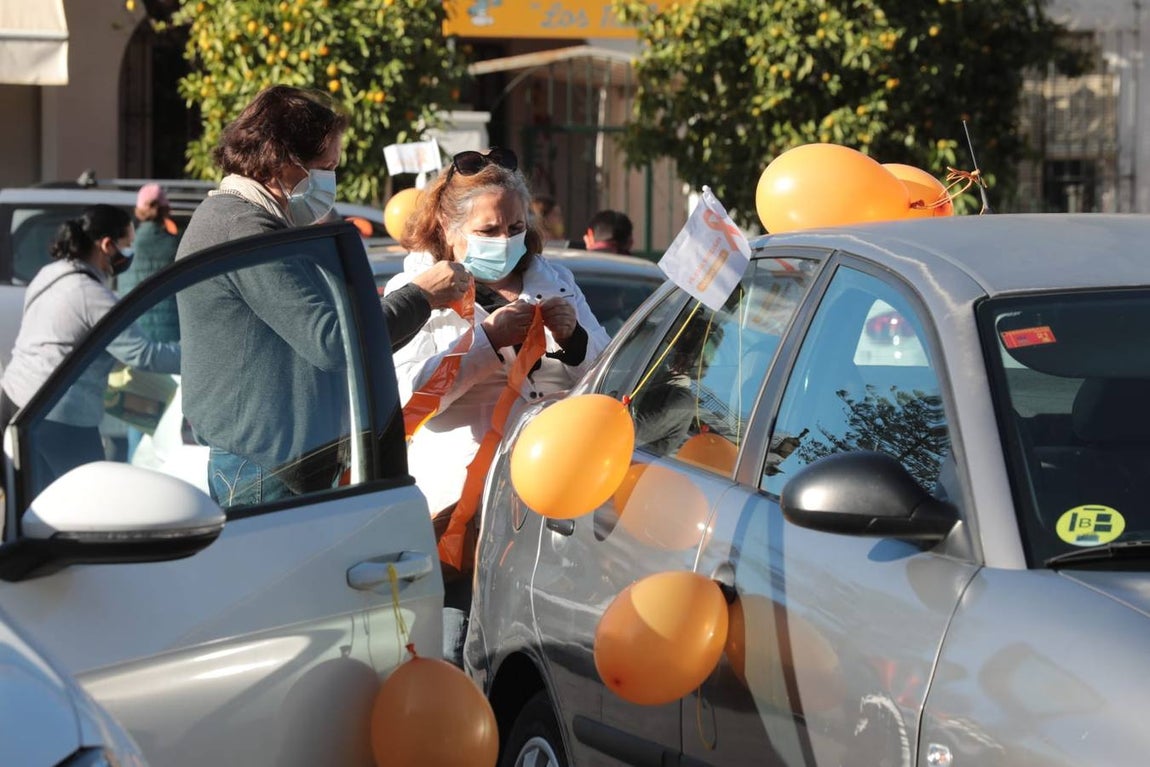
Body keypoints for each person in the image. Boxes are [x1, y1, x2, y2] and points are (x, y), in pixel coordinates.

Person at [176, 85, 469, 507]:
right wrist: (420, 296)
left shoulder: (257, 222)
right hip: (264, 466)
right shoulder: (242, 227)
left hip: (278, 460)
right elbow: (333, 340)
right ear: (281, 161)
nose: (330, 180)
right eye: (325, 166)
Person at [386, 146, 611, 664]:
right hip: (459, 518)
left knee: (530, 661)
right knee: (456, 651)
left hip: (544, 513)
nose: (505, 240)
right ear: (448, 227)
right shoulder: (415, 291)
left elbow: (602, 380)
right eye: (488, 231)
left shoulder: (554, 281)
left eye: (514, 226)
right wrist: (485, 343)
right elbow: (411, 401)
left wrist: (573, 340)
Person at [0, 204, 181, 488]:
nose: (129, 254)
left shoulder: (48, 273)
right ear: (107, 245)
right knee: (89, 500)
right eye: (127, 245)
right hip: (58, 414)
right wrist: (194, 354)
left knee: (34, 501)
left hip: (13, 399)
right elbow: (143, 354)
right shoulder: (93, 296)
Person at [118, 183, 183, 459]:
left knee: (138, 427)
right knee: (170, 433)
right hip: (174, 350)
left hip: (138, 348)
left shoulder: (127, 252)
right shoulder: (176, 245)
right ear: (166, 209)